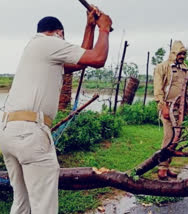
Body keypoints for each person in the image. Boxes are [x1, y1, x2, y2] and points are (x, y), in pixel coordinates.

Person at [0, 7, 112, 214]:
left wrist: (89, 26)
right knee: (44, 206)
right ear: (60, 33)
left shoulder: (36, 48)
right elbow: (97, 59)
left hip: (9, 132)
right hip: (29, 132)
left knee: (21, 203)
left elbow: (79, 63)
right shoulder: (50, 43)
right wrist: (104, 28)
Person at [154, 40, 188, 180]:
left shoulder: (184, 68)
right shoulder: (163, 67)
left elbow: (187, 86)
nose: (182, 56)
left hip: (180, 108)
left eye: (184, 54)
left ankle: (168, 166)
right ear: (174, 53)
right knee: (169, 136)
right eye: (180, 53)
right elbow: (158, 89)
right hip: (167, 107)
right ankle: (162, 168)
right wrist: (163, 106)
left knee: (177, 138)